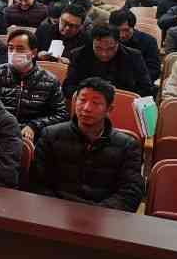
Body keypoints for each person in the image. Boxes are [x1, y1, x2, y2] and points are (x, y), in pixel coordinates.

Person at [31, 78, 144, 212]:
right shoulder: (50, 135)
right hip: (56, 212)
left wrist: (97, 213)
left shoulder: (128, 146)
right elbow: (37, 183)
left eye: (95, 103)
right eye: (82, 100)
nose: (86, 108)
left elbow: (130, 192)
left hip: (103, 216)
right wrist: (59, 209)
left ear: (109, 109)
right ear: (74, 102)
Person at [0, 29, 68, 142]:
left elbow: (61, 114)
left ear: (33, 53)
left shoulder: (49, 81)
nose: (14, 53)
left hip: (32, 136)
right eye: (10, 48)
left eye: (20, 49)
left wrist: (34, 126)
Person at [64, 25, 154, 99]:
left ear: (118, 43)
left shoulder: (134, 56)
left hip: (123, 104)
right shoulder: (78, 55)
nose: (104, 54)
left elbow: (147, 89)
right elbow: (68, 88)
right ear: (92, 42)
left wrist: (120, 95)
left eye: (111, 49)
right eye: (98, 48)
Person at [109, 9, 161, 82]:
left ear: (133, 27)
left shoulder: (149, 42)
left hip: (137, 84)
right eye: (117, 30)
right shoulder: (107, 39)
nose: (121, 35)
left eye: (126, 30)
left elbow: (153, 71)